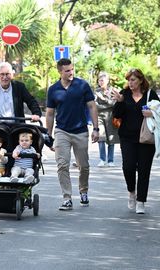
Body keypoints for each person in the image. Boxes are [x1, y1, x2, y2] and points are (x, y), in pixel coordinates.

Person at [45, 58, 99, 210]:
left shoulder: (82, 85)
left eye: (72, 69)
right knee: (62, 165)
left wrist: (96, 128)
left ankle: (83, 191)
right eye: (67, 70)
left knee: (84, 166)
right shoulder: (53, 89)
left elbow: (92, 106)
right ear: (60, 72)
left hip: (80, 131)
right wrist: (48, 136)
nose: (71, 73)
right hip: (61, 131)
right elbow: (50, 113)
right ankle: (67, 197)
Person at [111, 68, 160, 214]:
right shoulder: (124, 94)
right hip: (127, 137)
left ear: (140, 80)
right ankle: (131, 191)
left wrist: (151, 113)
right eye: (128, 80)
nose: (130, 83)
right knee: (128, 167)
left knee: (144, 170)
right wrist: (120, 102)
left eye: (133, 80)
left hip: (146, 138)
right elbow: (116, 115)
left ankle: (141, 201)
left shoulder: (150, 95)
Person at [95, 72, 119, 167]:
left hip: (110, 117)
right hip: (99, 117)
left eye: (102, 80)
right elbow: (95, 106)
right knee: (101, 138)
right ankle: (102, 159)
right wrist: (107, 105)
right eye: (99, 80)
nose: (101, 82)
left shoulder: (113, 91)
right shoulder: (96, 91)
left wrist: (103, 101)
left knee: (111, 138)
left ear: (107, 81)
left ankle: (110, 160)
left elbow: (114, 104)